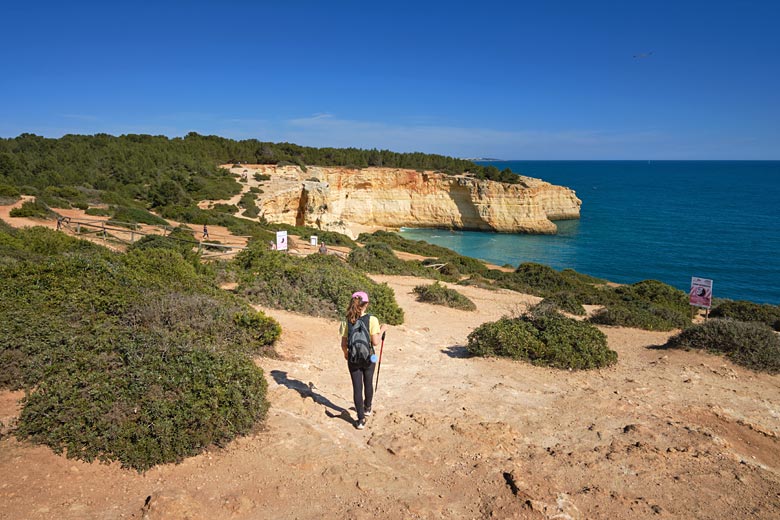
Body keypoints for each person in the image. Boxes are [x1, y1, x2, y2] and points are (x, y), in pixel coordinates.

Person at [340, 291, 384, 430]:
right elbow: (375, 342)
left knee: (357, 388)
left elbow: (343, 343)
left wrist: (346, 354)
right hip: (370, 357)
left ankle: (360, 420)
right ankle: (367, 407)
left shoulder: (346, 320)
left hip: (353, 358)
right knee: (368, 382)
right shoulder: (372, 319)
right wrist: (383, 329)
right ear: (366, 304)